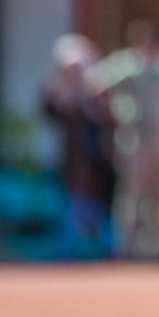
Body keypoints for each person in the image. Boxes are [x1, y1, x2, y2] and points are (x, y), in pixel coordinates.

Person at [91, 20, 159, 260]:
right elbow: (96, 83)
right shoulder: (126, 65)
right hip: (135, 139)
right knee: (131, 196)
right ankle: (125, 248)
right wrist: (115, 113)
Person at [41, 34, 114, 259]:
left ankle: (108, 249)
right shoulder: (61, 91)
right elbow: (50, 110)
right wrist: (66, 83)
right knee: (74, 206)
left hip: (96, 160)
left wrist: (92, 92)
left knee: (95, 207)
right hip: (72, 161)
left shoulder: (99, 90)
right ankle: (69, 252)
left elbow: (109, 118)